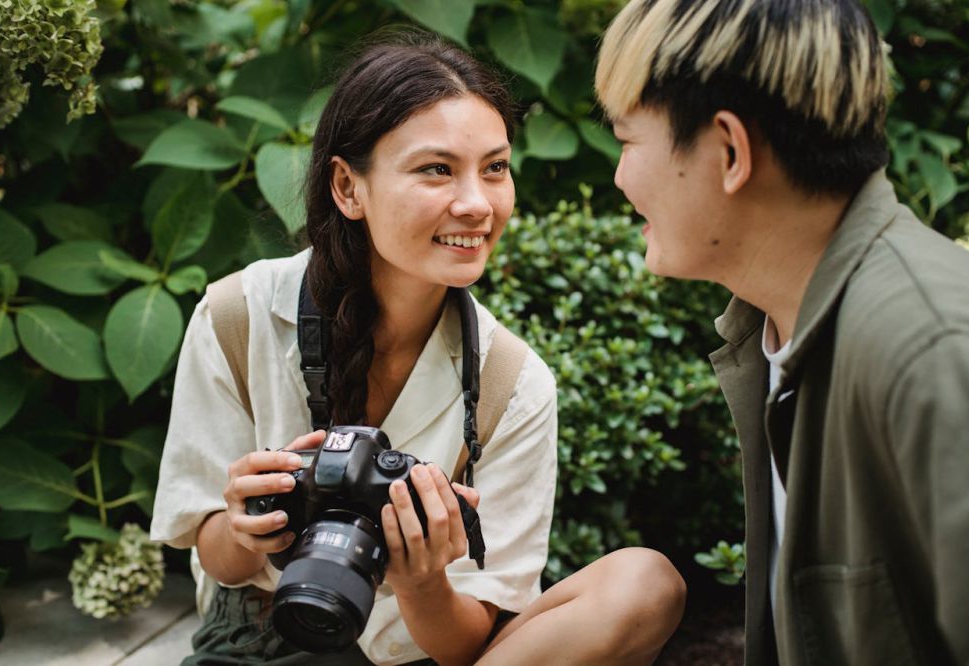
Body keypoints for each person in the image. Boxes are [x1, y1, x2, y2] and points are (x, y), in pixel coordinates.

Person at [152, 33, 685, 666]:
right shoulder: (239, 317)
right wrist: (249, 528)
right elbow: (214, 554)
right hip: (261, 641)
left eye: (495, 167)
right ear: (349, 188)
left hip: (415, 655)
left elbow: (467, 643)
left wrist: (423, 579)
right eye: (437, 169)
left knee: (645, 585)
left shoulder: (510, 383)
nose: (477, 204)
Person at [595, 1, 969, 664]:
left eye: (628, 142)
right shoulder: (777, 324)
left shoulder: (931, 351)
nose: (619, 175)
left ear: (731, 151)